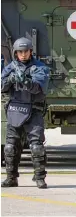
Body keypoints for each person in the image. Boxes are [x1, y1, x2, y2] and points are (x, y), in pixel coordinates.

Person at [1, 37, 50, 189]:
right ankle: (11, 178)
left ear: (31, 52)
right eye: (20, 52)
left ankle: (40, 178)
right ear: (16, 53)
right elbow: (2, 86)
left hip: (33, 110)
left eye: (26, 51)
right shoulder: (10, 67)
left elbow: (39, 88)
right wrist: (10, 79)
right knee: (10, 147)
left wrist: (27, 81)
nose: (23, 54)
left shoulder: (40, 67)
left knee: (36, 146)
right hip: (15, 110)